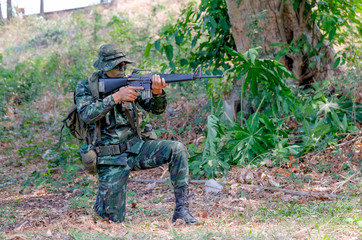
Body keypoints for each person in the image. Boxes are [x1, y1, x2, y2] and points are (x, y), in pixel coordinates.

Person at [74, 44, 198, 224]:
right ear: (104, 67)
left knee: (176, 149)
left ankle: (182, 210)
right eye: (118, 67)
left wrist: (157, 93)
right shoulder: (87, 87)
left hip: (137, 149)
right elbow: (87, 115)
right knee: (110, 221)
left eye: (124, 66)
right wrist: (117, 97)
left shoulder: (131, 82)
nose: (122, 70)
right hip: (111, 158)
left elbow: (156, 109)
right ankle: (103, 206)